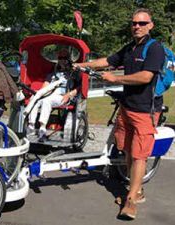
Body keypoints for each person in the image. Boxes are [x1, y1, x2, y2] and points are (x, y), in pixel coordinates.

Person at [73, 8, 164, 219]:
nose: (137, 26)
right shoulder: (131, 47)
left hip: (144, 110)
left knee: (140, 155)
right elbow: (108, 60)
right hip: (127, 107)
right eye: (134, 23)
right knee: (128, 151)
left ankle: (131, 200)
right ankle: (137, 189)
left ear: (151, 25)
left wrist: (116, 79)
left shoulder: (155, 48)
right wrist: (82, 65)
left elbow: (145, 77)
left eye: (142, 23)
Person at [28, 49, 80, 141]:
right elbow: (45, 86)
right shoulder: (53, 74)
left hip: (63, 96)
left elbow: (79, 87)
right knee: (35, 99)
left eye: (65, 58)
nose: (62, 60)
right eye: (60, 58)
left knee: (46, 101)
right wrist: (38, 93)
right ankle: (31, 126)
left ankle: (42, 129)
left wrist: (69, 94)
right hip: (50, 94)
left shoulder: (73, 73)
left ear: (69, 60)